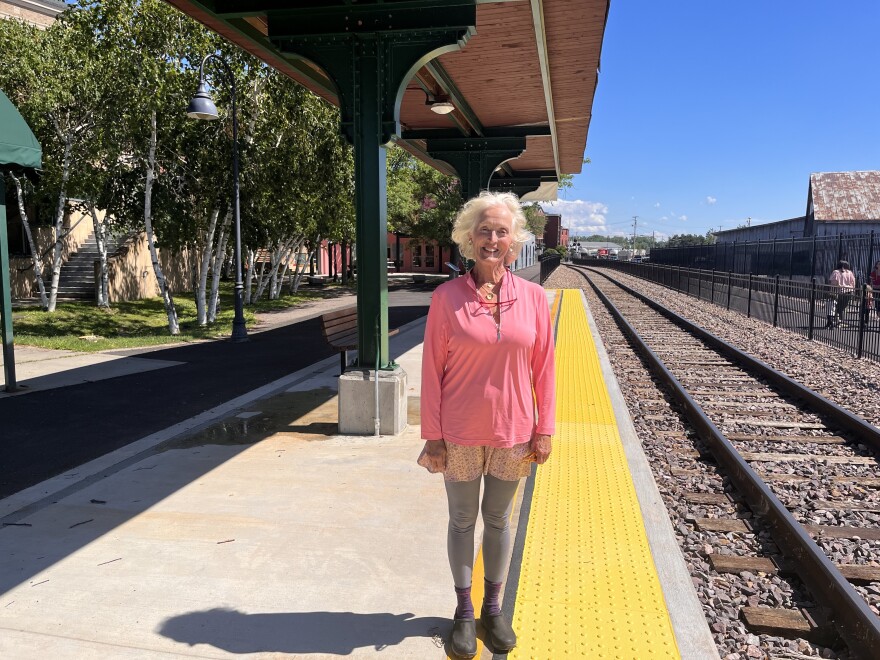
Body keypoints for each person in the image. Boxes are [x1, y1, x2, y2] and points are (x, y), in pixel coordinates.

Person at [418, 191, 556, 658]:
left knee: (498, 521)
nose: (492, 239)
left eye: (501, 231)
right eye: (483, 230)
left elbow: (545, 370)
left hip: (514, 434)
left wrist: (545, 428)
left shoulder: (536, 300)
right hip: (457, 434)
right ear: (469, 239)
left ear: (514, 242)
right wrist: (432, 436)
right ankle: (462, 612)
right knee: (462, 521)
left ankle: (492, 611)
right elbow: (431, 372)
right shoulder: (446, 298)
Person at [827, 260, 856, 327]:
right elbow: (853, 284)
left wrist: (831, 291)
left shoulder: (836, 272)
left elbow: (833, 283)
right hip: (849, 292)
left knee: (836, 307)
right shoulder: (850, 273)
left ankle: (836, 320)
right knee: (843, 307)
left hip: (838, 292)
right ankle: (839, 320)